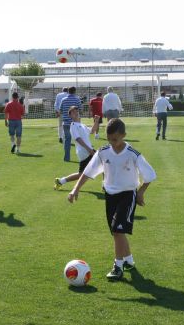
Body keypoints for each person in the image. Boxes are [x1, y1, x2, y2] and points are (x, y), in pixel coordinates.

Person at [67, 118, 156, 281]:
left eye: (115, 139)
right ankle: (129, 260)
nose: (112, 143)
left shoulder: (132, 154)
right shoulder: (103, 152)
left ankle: (118, 266)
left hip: (128, 195)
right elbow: (87, 172)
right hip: (110, 196)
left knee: (117, 230)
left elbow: (150, 174)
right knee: (117, 233)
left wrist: (141, 192)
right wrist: (75, 189)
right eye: (109, 139)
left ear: (123, 135)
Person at [54, 106, 96, 190]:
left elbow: (92, 131)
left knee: (81, 174)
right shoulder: (73, 125)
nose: (76, 113)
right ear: (70, 116)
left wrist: (97, 121)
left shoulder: (82, 125)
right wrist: (89, 149)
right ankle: (105, 185)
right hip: (84, 152)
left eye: (77, 111)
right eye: (73, 112)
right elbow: (78, 139)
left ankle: (61, 181)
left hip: (88, 150)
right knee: (103, 163)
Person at [59, 86, 82, 162]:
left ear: (68, 91)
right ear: (74, 91)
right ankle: (82, 157)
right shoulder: (77, 99)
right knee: (79, 140)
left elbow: (61, 110)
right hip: (75, 123)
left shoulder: (63, 100)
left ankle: (67, 157)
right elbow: (81, 109)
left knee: (67, 140)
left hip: (66, 122)